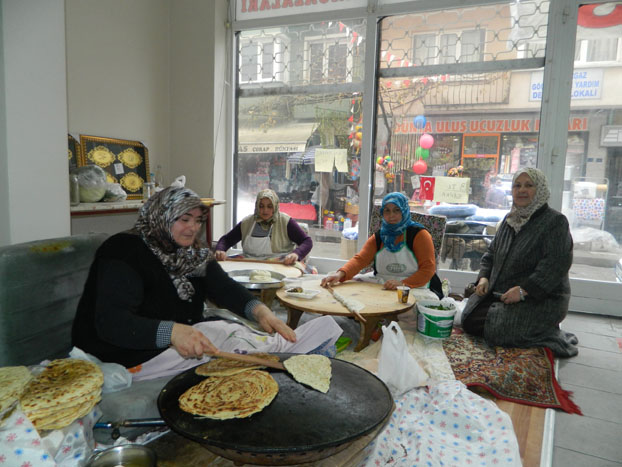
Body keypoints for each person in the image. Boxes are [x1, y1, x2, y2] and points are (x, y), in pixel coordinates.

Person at [71, 186, 301, 369]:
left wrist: (260, 311)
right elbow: (112, 323)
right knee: (235, 357)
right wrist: (172, 332)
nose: (193, 228)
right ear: (161, 216)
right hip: (125, 354)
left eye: (198, 220)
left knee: (239, 335)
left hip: (179, 337)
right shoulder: (123, 251)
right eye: (184, 219)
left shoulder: (190, 253)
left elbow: (224, 288)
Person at [461, 167, 578, 358]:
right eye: (517, 185)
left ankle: (549, 333)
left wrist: (524, 290)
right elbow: (491, 253)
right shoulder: (510, 220)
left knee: (497, 327)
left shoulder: (555, 222)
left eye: (529, 185)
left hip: (540, 298)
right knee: (468, 317)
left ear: (539, 190)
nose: (521, 190)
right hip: (503, 293)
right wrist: (483, 278)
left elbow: (554, 266)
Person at [321, 192, 442, 296]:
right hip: (384, 282)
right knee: (351, 292)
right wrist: (339, 274)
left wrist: (403, 284)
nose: (391, 216)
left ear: (404, 211)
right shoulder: (380, 237)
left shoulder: (419, 235)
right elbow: (360, 260)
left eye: (396, 210)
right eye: (387, 211)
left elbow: (428, 269)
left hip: (414, 285)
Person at [214, 189, 312, 266]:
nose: (265, 210)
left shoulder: (285, 222)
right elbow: (226, 239)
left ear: (275, 206)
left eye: (269, 206)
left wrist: (296, 254)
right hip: (249, 262)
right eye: (261, 206)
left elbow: (307, 241)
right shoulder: (247, 222)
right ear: (256, 206)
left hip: (279, 263)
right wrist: (220, 250)